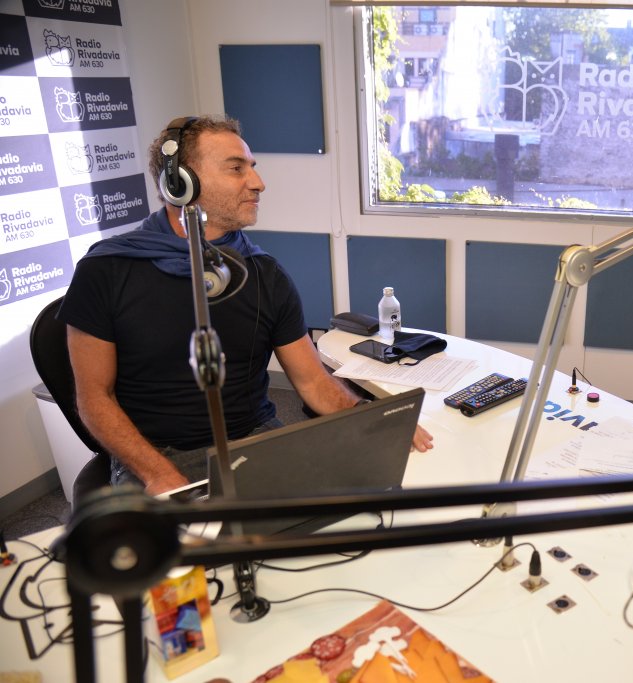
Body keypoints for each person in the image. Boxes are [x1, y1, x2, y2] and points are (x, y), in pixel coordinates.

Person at [58, 115, 433, 496]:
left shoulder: (265, 274)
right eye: (236, 168)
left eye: (252, 167)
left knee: (347, 512)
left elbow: (313, 381)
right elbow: (94, 398)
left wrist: (373, 418)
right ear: (180, 182)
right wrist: (158, 474)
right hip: (155, 456)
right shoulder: (106, 271)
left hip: (255, 441)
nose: (258, 182)